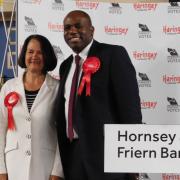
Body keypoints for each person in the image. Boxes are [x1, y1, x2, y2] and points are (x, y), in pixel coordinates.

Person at [55, 10, 142, 180]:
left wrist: (132, 161)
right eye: (67, 28)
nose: (72, 31)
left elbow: (130, 110)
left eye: (78, 26)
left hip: (107, 158)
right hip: (73, 156)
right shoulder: (65, 65)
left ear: (92, 30)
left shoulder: (113, 55)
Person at [0, 34, 64, 180]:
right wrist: (1, 170)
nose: (35, 56)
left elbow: (62, 134)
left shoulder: (57, 88)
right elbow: (0, 129)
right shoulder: (9, 87)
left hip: (45, 167)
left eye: (40, 52)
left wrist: (57, 172)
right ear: (24, 54)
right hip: (13, 166)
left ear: (47, 56)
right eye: (30, 51)